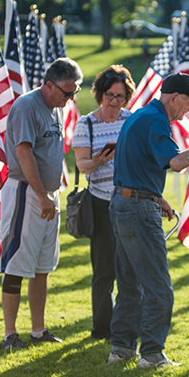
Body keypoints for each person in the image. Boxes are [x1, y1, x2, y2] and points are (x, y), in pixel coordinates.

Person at [108, 72, 189, 368]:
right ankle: (151, 354)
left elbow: (134, 161)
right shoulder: (157, 120)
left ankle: (121, 349)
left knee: (129, 283)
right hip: (137, 209)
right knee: (159, 286)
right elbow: (175, 163)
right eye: (187, 104)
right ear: (173, 98)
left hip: (123, 202)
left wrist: (154, 194)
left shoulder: (141, 115)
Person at [0, 57, 84, 350]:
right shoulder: (26, 106)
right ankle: (10, 334)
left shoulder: (56, 108)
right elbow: (24, 153)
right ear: (49, 85)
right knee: (17, 263)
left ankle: (38, 330)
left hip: (47, 195)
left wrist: (50, 193)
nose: (70, 98)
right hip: (27, 192)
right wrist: (40, 194)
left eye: (74, 92)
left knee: (41, 267)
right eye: (66, 92)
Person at [72, 65, 136, 341]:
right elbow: (82, 165)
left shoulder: (131, 121)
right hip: (100, 203)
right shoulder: (86, 123)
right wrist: (100, 159)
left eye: (120, 97)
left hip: (129, 201)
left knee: (131, 267)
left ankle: (129, 324)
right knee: (104, 269)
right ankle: (102, 328)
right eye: (110, 95)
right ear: (100, 95)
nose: (114, 102)